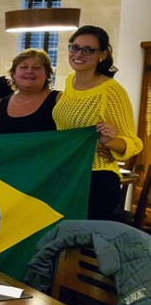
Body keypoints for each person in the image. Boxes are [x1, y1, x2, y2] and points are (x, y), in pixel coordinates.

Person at [52, 25, 143, 220]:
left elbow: (134, 143)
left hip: (96, 178)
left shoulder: (111, 91)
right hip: (67, 174)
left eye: (88, 50)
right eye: (74, 47)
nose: (79, 54)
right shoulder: (70, 82)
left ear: (102, 54)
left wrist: (109, 142)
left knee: (82, 243)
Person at [0, 48, 61, 134]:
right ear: (14, 74)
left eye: (36, 67)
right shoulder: (1, 104)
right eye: (24, 67)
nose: (29, 71)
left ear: (47, 74)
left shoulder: (59, 99)